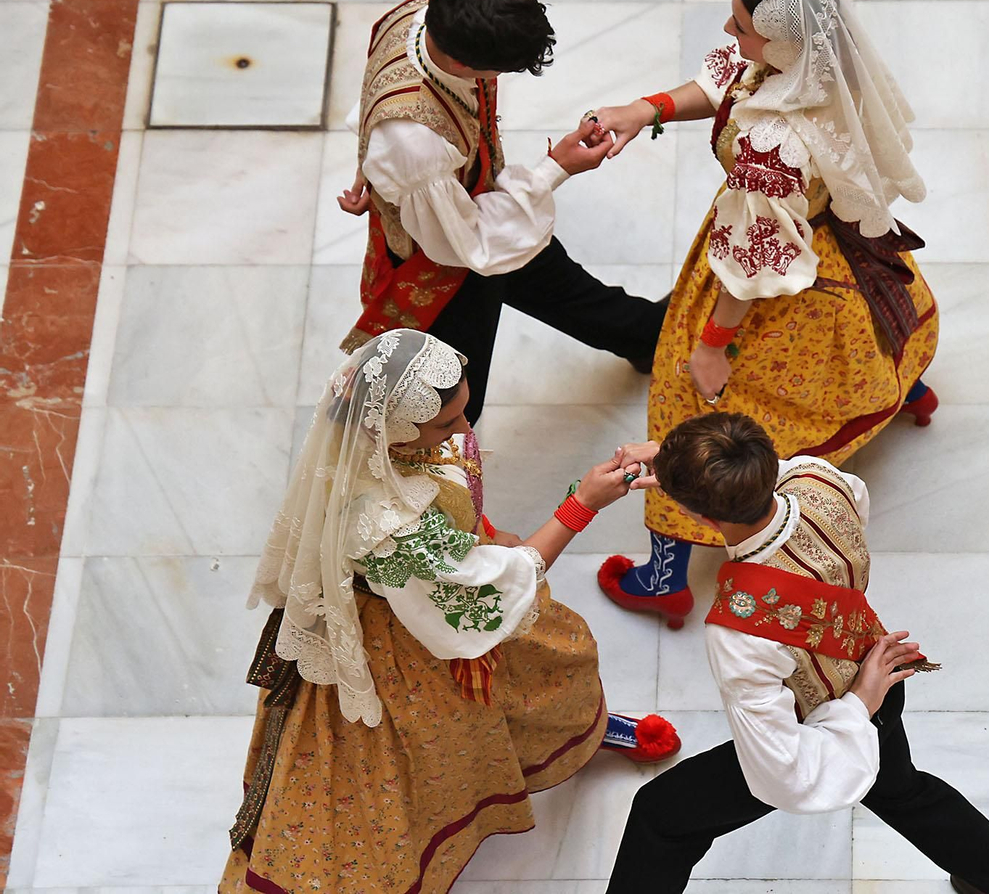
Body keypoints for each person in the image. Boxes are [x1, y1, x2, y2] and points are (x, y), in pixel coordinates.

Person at [221, 329, 679, 894]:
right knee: (397, 772)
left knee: (553, 667)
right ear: (393, 429)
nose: (463, 432)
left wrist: (486, 535)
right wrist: (580, 505)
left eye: (465, 412)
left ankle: (580, 735)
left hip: (442, 594)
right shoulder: (380, 520)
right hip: (402, 636)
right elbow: (475, 596)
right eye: (446, 425)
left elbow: (454, 526)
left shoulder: (399, 446)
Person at [590, 0, 940, 626]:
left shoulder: (772, 149)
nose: (728, 30)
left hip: (773, 273)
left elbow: (753, 262)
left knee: (686, 407)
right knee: (877, 331)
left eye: (742, 25)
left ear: (783, 43)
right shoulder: (824, 63)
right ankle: (903, 391)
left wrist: (713, 344)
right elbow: (728, 82)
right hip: (838, 247)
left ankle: (664, 575)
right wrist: (647, 109)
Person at [604, 414, 989, 894]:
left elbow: (784, 771)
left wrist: (854, 708)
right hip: (879, 674)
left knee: (660, 818)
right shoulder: (821, 480)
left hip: (840, 715)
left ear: (701, 518)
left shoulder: (741, 629)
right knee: (905, 793)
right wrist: (679, 460)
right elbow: (805, 486)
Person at [337, 0, 665, 424]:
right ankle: (440, 470)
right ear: (462, 66)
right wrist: (558, 168)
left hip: (468, 197)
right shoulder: (414, 141)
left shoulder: (429, 5)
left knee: (556, 284)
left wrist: (372, 173)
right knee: (451, 394)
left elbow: (376, 95)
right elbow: (472, 243)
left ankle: (648, 337)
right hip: (444, 260)